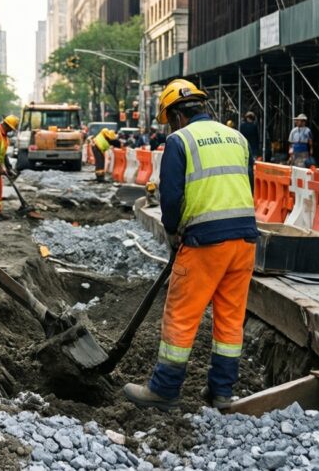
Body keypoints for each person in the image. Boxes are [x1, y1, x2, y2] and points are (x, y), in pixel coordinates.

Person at [122, 79, 258, 412]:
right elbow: (248, 184)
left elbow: (171, 197)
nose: (169, 125)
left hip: (204, 243)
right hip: (244, 241)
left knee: (181, 316)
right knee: (230, 318)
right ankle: (221, 393)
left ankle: (164, 390)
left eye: (168, 118)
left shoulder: (180, 140)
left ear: (177, 115)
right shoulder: (237, 138)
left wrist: (173, 231)